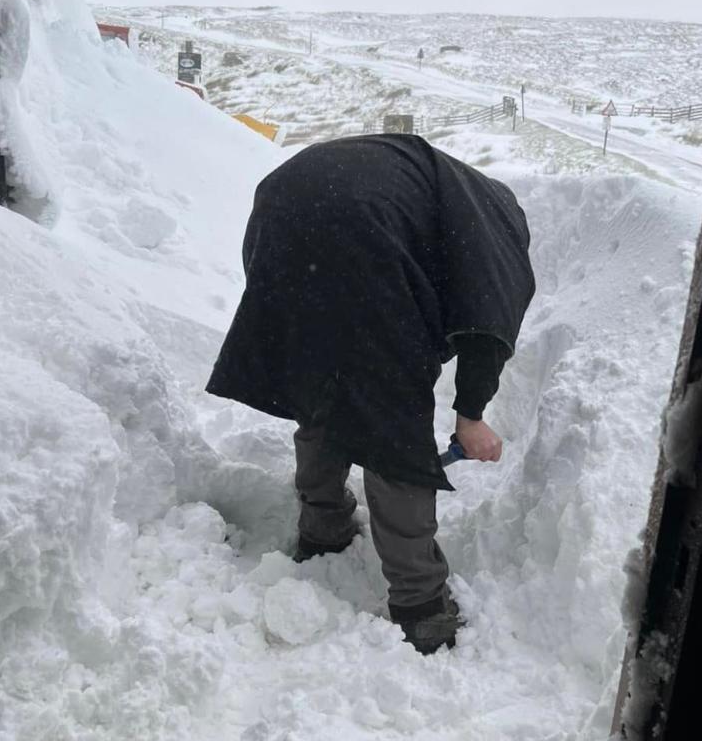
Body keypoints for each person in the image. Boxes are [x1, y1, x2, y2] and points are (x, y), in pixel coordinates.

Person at [206, 134, 535, 653]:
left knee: (323, 380)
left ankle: (322, 528)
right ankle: (422, 607)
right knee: (391, 425)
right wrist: (470, 416)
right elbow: (487, 333)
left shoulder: (446, 198)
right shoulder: (495, 239)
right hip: (357, 226)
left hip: (283, 204)